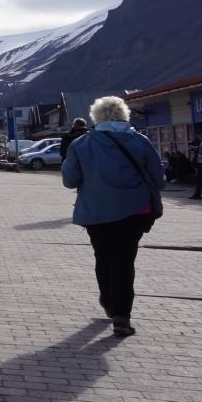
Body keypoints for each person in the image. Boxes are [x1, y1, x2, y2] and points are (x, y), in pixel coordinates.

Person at [61, 96, 163, 338]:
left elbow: (70, 180)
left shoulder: (81, 143)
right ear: (124, 115)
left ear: (96, 116)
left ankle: (108, 300)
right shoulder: (141, 141)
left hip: (96, 212)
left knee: (103, 257)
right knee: (125, 261)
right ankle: (122, 317)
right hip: (135, 212)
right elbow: (158, 179)